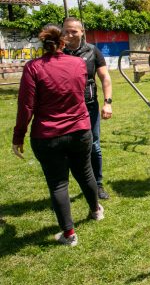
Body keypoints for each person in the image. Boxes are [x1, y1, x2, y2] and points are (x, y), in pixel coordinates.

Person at [12, 25, 104, 247]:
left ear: (43, 43)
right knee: (85, 172)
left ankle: (70, 233)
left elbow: (26, 106)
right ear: (62, 43)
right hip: (79, 130)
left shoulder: (33, 67)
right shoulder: (77, 64)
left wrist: (18, 137)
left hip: (48, 136)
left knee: (58, 183)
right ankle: (95, 210)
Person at [63, 18, 112, 200]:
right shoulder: (59, 52)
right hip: (65, 109)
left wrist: (108, 102)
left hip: (89, 106)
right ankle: (63, 189)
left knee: (94, 145)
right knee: (66, 149)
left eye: (74, 31)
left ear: (82, 31)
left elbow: (105, 77)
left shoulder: (92, 51)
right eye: (66, 31)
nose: (69, 35)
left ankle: (97, 184)